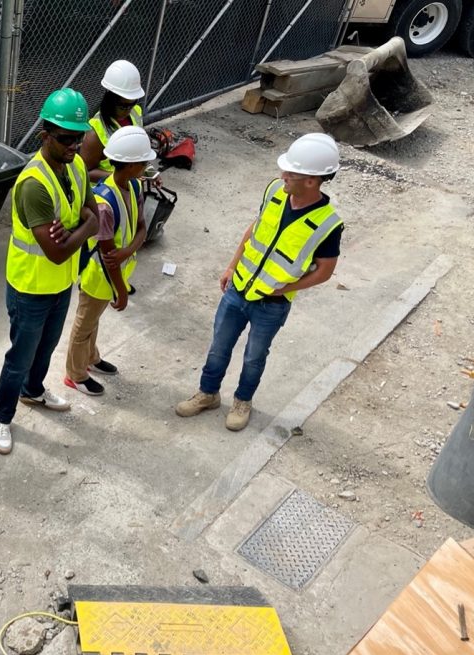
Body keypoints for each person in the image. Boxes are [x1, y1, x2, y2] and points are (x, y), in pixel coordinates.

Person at [175, 133, 344, 431]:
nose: (283, 175)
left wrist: (286, 288)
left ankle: (243, 401)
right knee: (218, 347)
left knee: (254, 357)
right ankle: (207, 393)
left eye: (291, 172)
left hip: (272, 304)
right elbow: (254, 230)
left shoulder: (328, 224)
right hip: (237, 289)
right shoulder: (275, 192)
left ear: (311, 180)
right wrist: (231, 266)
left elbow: (325, 270)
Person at [0, 88, 100, 455]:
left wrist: (78, 229)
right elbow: (56, 250)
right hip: (30, 287)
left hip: (60, 283)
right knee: (20, 356)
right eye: (66, 138)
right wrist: (84, 227)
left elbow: (90, 215)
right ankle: (1, 417)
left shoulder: (78, 165)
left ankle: (33, 392)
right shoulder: (34, 185)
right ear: (45, 136)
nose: (74, 145)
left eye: (78, 137)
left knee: (47, 347)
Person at [64, 126, 153, 396]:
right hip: (99, 275)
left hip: (116, 269)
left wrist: (126, 252)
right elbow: (107, 256)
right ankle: (75, 374)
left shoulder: (135, 186)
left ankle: (91, 358)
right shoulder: (104, 202)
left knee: (93, 320)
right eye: (144, 161)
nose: (147, 165)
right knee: (84, 324)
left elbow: (142, 229)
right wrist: (122, 291)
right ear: (132, 164)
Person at [80, 60, 145, 182]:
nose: (128, 110)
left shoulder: (136, 112)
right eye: (123, 106)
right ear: (110, 99)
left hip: (129, 188)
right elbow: (85, 173)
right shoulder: (95, 132)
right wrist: (123, 176)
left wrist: (148, 171)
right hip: (107, 194)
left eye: (132, 103)